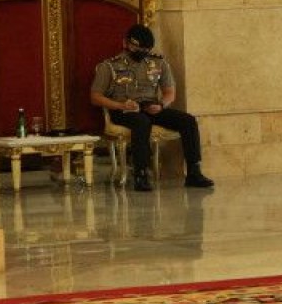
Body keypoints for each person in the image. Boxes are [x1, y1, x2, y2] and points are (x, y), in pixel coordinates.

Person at [91, 24, 215, 192]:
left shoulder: (158, 63)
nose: (142, 52)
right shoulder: (110, 66)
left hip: (151, 106)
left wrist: (161, 105)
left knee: (188, 120)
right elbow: (95, 97)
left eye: (145, 49)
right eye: (138, 48)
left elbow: (170, 92)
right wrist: (121, 105)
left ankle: (194, 171)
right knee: (141, 122)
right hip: (123, 109)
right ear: (126, 44)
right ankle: (141, 174)